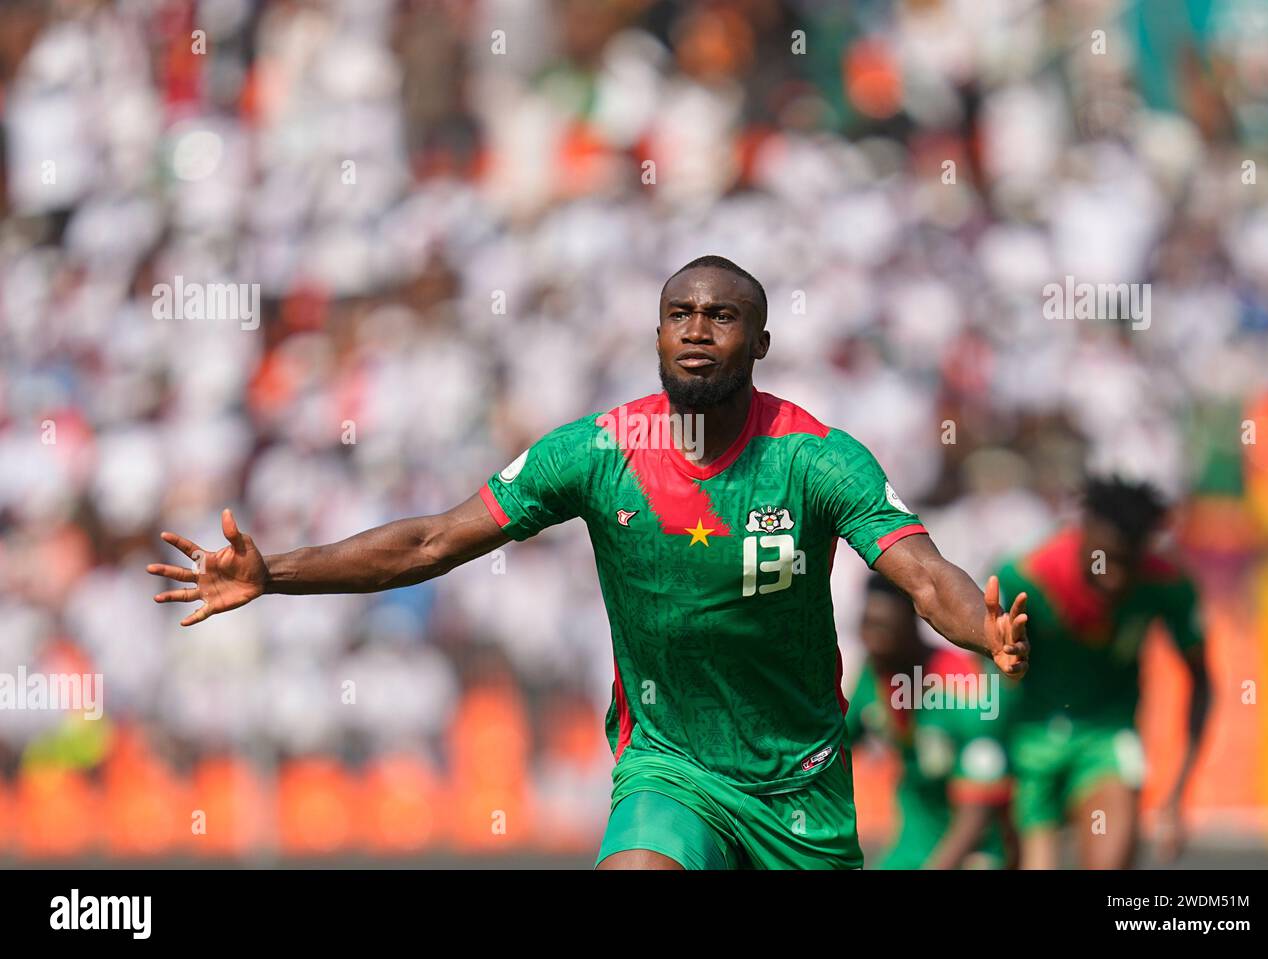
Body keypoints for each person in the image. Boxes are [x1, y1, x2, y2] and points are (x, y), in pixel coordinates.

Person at [147, 255, 1029, 870]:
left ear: (759, 344)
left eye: (722, 317)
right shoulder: (599, 451)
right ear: (655, 334)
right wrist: (275, 573)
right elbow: (431, 541)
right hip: (668, 763)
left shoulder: (819, 458)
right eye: (679, 314)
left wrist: (981, 630)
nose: (696, 330)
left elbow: (922, 574)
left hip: (800, 781)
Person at [993, 476, 1210, 869]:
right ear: (1083, 534)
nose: (1116, 578)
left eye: (1128, 563)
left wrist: (1178, 794)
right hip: (1028, 740)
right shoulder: (1027, 578)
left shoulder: (1167, 584)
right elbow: (989, 672)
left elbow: (1202, 679)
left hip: (1107, 738)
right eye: (1106, 560)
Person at [845, 575, 1016, 869]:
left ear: (911, 624)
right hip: (912, 844)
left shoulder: (964, 687)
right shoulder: (874, 674)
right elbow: (836, 750)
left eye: (883, 629)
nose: (872, 642)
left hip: (975, 847)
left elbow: (979, 808)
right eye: (866, 626)